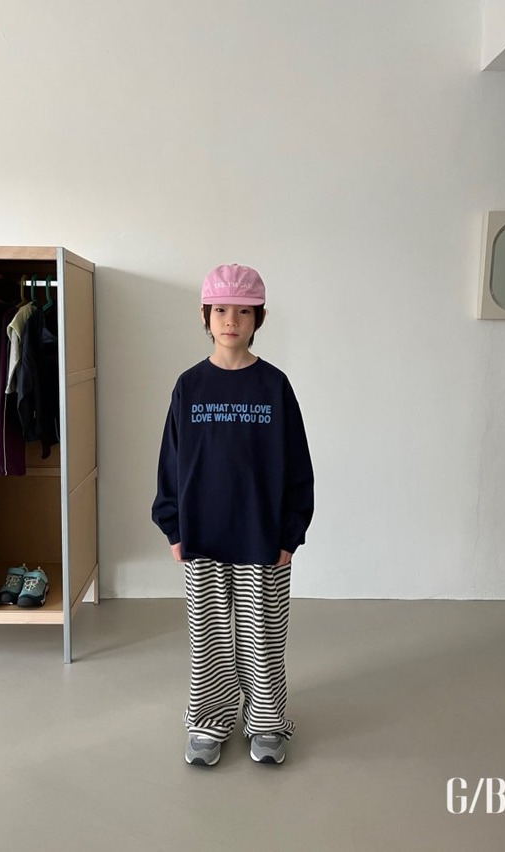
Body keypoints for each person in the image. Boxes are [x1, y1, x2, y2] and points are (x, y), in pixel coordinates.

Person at [151, 263, 314, 766]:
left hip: (262, 538)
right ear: (205, 315)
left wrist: (290, 534)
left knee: (264, 639)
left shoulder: (274, 386)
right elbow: (171, 461)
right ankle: (208, 723)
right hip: (203, 536)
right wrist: (173, 526)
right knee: (210, 640)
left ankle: (266, 724)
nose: (231, 320)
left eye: (243, 312)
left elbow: (298, 465)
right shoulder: (190, 386)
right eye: (221, 309)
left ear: (258, 318)